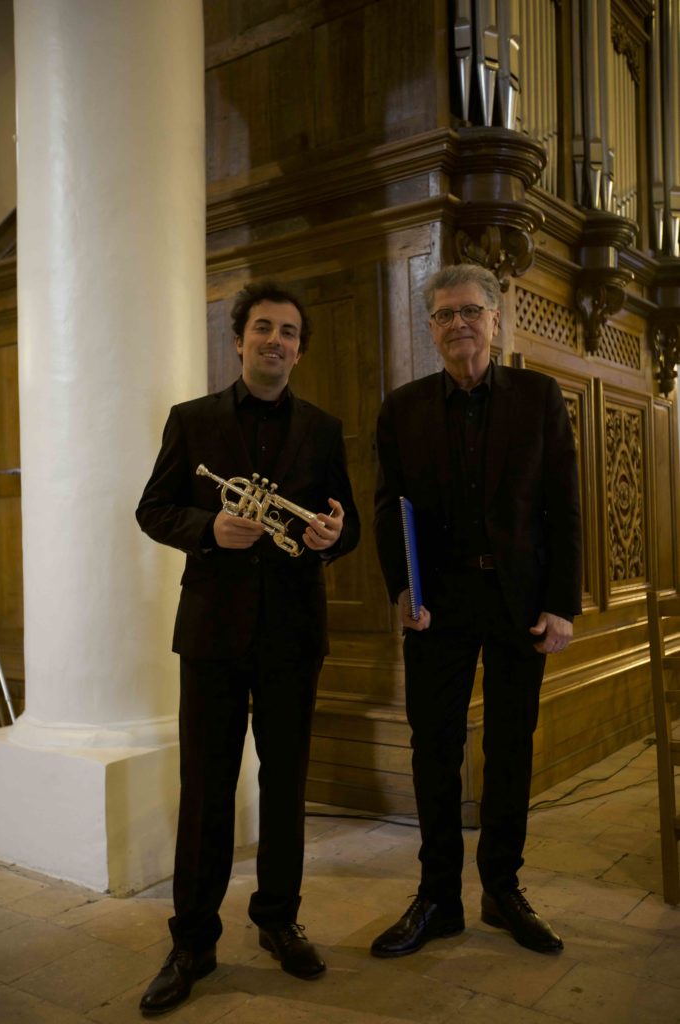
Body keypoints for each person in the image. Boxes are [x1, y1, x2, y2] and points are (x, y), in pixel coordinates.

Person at [136, 280, 360, 1015]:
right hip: (212, 632)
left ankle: (277, 920)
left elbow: (346, 524)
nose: (275, 340)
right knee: (205, 787)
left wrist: (333, 536)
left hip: (293, 632)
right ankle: (192, 941)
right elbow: (153, 508)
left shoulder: (322, 429)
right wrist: (209, 529)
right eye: (263, 327)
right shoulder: (192, 420)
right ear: (238, 340)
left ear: (298, 350)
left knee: (286, 784)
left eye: (288, 332)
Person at [372, 263, 581, 958]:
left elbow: (562, 507)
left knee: (511, 745)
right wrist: (401, 590)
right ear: (430, 328)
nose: (457, 323)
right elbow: (387, 507)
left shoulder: (538, 396)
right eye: (443, 314)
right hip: (437, 605)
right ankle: (437, 897)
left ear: (495, 319)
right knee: (433, 749)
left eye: (469, 311)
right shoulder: (401, 409)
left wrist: (560, 604)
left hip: (518, 601)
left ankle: (501, 888)